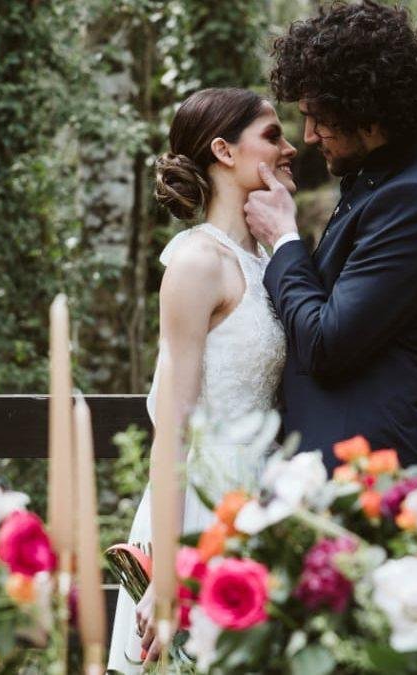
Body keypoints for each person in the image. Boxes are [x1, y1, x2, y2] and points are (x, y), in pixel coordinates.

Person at [245, 0, 417, 474]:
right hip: (327, 476)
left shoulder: (416, 202)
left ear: (367, 112)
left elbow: (327, 345)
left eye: (319, 117)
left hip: (375, 485)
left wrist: (285, 239)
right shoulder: (378, 186)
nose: (309, 135)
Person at [107, 87, 295, 672]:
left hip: (259, 502)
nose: (290, 148)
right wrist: (168, 572)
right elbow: (172, 429)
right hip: (198, 507)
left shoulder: (268, 264)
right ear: (223, 150)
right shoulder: (195, 262)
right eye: (272, 136)